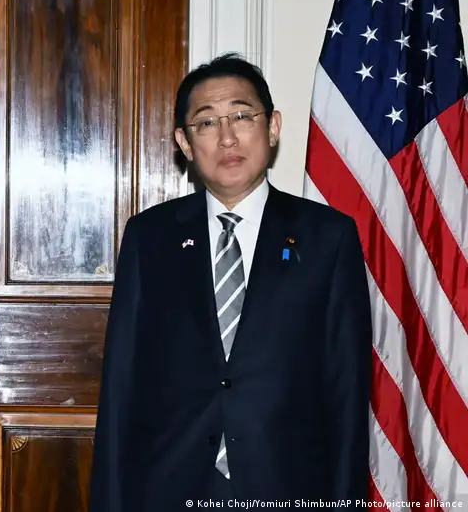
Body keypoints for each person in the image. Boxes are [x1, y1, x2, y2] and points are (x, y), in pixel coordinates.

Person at [89, 53, 371, 509]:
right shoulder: (149, 237)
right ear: (183, 141)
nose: (227, 137)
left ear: (273, 126)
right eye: (206, 123)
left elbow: (347, 394)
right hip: (167, 487)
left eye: (242, 116)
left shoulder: (328, 237)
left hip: (288, 486)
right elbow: (121, 386)